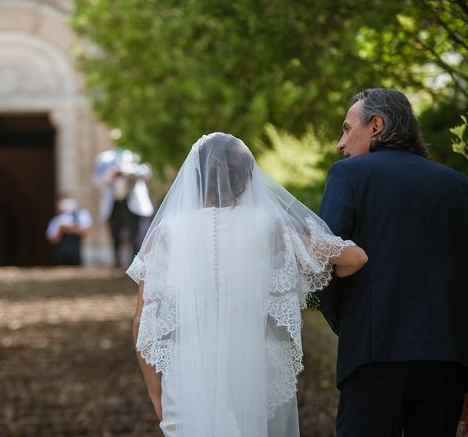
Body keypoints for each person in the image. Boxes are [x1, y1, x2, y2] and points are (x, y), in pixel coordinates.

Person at [127, 133, 367, 436]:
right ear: (247, 176)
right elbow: (355, 258)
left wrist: (155, 394)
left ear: (195, 176)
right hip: (254, 370)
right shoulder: (273, 225)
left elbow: (141, 323)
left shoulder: (166, 234)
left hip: (188, 374)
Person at [317, 88, 468, 437]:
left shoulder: (348, 175)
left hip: (374, 353)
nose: (341, 143)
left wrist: (353, 323)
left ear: (376, 125)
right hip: (448, 360)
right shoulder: (459, 186)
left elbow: (322, 265)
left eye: (346, 128)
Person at [93, 148, 154, 267]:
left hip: (132, 201)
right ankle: (117, 262)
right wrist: (109, 175)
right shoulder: (103, 158)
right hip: (113, 202)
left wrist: (129, 172)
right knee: (114, 232)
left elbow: (147, 172)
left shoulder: (136, 154)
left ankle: (134, 263)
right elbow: (96, 179)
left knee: (135, 233)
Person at [46, 192, 92, 266]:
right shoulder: (55, 220)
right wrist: (60, 230)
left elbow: (85, 231)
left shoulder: (80, 215)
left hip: (75, 253)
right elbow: (52, 239)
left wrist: (69, 229)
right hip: (61, 253)